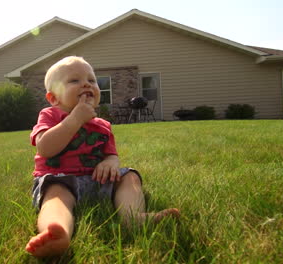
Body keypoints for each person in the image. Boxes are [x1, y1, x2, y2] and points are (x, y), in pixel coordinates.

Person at [25, 56, 180, 257]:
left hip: (97, 181)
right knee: (55, 197)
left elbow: (112, 155)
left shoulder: (102, 125)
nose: (86, 84)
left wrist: (110, 162)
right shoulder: (50, 115)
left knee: (130, 176)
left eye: (92, 80)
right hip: (61, 180)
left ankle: (132, 217)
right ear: (54, 98)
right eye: (74, 81)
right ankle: (57, 231)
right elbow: (45, 148)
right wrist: (75, 119)